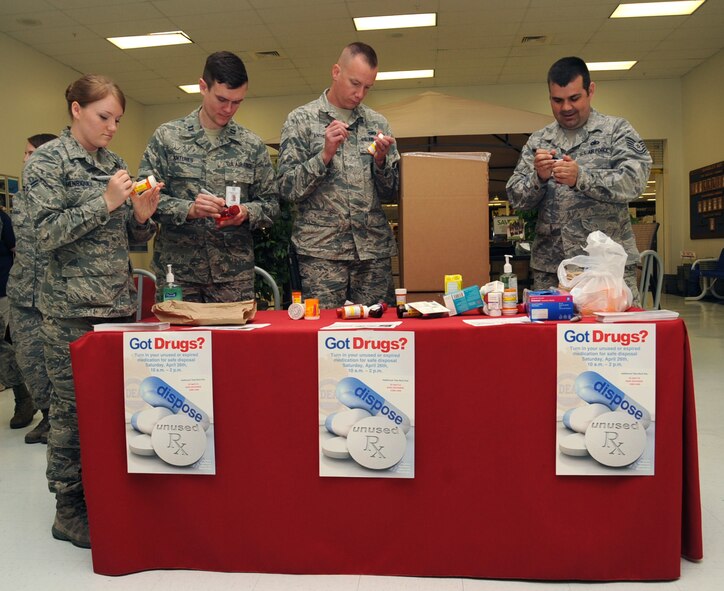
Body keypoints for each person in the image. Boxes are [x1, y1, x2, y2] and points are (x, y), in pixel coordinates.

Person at [24, 75, 160, 549]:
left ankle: (112, 495)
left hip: (119, 308)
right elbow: (45, 234)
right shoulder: (47, 163)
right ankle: (69, 508)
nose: (112, 128)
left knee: (118, 411)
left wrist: (141, 217)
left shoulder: (116, 164)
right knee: (72, 414)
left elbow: (130, 241)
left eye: (118, 120)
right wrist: (105, 201)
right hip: (70, 312)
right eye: (104, 117)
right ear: (77, 109)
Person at [506, 56, 652, 305]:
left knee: (611, 341)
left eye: (574, 98)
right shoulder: (539, 140)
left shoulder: (616, 131)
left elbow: (634, 180)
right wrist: (538, 179)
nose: (566, 108)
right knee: (551, 342)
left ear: (590, 90)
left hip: (606, 270)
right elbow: (516, 198)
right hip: (553, 271)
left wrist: (581, 178)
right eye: (557, 100)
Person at [138, 51, 279, 303]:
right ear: (203, 87)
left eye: (237, 102)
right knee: (180, 343)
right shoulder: (167, 138)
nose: (228, 109)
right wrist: (188, 209)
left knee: (233, 344)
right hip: (178, 274)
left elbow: (271, 204)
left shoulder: (251, 145)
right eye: (222, 99)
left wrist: (246, 212)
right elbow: (143, 197)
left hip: (232, 277)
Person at [277, 42, 399, 308]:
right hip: (320, 254)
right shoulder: (301, 120)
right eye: (355, 83)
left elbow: (393, 194)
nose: (360, 94)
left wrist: (380, 163)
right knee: (320, 338)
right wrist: (324, 155)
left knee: (378, 338)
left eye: (368, 87)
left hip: (372, 253)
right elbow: (287, 189)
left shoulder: (378, 123)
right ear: (336, 72)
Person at [7, 133, 58, 443]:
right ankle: (48, 416)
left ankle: (65, 422)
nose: (26, 160)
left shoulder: (63, 196)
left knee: (60, 366)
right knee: (29, 361)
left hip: (56, 296)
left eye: (32, 154)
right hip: (23, 293)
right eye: (25, 153)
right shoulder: (21, 198)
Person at [0, 205, 35, 430]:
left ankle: (23, 399)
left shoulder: (3, 219)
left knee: (3, 347)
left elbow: (17, 249)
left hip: (1, 290)